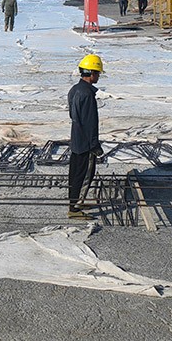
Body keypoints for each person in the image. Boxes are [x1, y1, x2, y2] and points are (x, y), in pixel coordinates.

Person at [67, 55, 104, 220]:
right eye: (97, 73)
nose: (98, 76)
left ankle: (75, 202)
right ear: (91, 73)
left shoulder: (75, 90)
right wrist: (94, 145)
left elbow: (73, 116)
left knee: (75, 173)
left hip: (76, 140)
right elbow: (90, 123)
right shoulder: (87, 95)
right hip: (85, 144)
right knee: (85, 175)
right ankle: (74, 209)